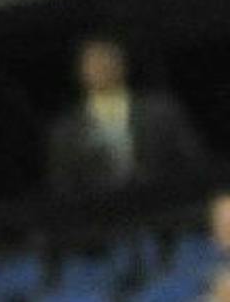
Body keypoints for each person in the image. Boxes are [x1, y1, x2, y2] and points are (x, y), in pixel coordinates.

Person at [44, 34, 210, 204]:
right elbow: (64, 186)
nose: (101, 68)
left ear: (122, 65)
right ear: (80, 71)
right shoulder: (66, 130)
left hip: (167, 206)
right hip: (102, 218)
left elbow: (193, 160)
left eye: (107, 60)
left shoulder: (161, 110)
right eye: (92, 63)